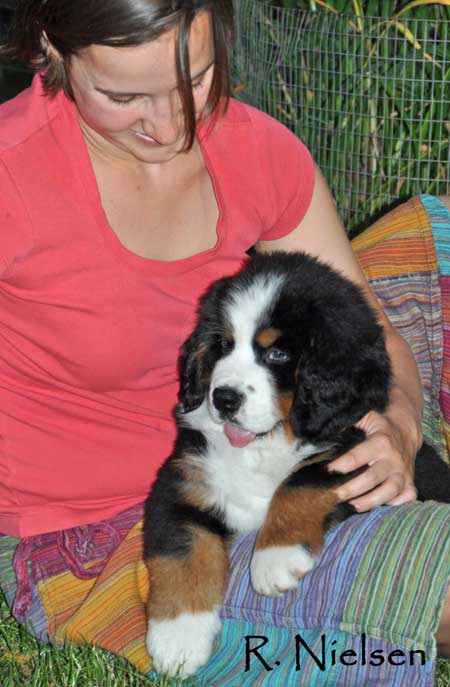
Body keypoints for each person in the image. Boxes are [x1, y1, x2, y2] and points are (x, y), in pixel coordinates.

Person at [0, 1, 449, 684]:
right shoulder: (11, 174)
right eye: (124, 96)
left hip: (286, 446)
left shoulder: (257, 146)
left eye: (196, 76)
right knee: (427, 571)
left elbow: (370, 330)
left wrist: (399, 424)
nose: (171, 122)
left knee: (435, 236)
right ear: (50, 54)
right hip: (111, 528)